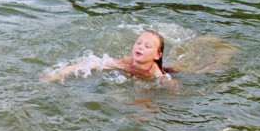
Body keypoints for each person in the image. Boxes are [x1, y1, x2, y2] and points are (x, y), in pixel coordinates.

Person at [45, 30, 173, 82]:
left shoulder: (159, 76)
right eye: (138, 43)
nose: (140, 47)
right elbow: (95, 63)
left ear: (157, 55)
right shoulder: (126, 63)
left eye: (147, 46)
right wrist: (64, 72)